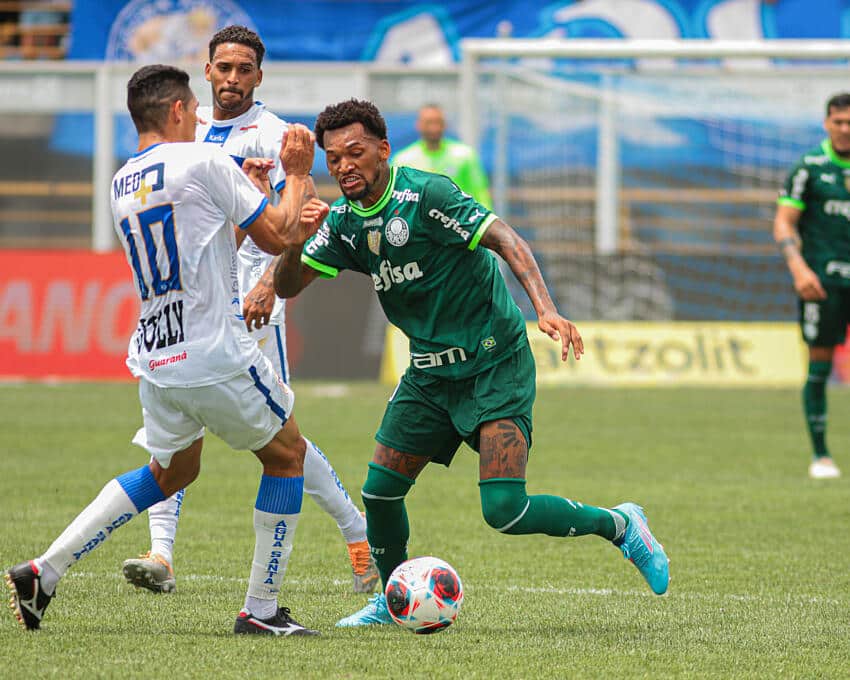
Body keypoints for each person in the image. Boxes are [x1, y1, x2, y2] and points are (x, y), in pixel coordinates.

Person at [273, 99, 670, 627]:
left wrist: (545, 309)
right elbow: (287, 286)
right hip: (429, 374)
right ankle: (391, 599)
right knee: (380, 493)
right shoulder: (343, 223)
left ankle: (620, 525)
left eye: (355, 152)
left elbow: (506, 238)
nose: (344, 165)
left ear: (383, 150)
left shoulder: (427, 195)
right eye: (333, 158)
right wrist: (292, 241)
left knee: (504, 510)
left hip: (494, 362)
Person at [4, 64, 325, 636]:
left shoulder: (122, 181)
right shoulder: (204, 161)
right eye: (194, 109)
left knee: (174, 470)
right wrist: (296, 174)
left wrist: (244, 196)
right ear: (178, 109)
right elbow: (280, 234)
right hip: (214, 350)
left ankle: (43, 570)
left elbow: (206, 242)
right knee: (287, 456)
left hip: (156, 353)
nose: (200, 117)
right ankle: (262, 610)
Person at [121, 25, 378, 597]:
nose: (232, 78)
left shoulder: (274, 134)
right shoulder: (183, 129)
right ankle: (160, 552)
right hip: (193, 307)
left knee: (285, 440)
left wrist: (268, 283)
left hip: (253, 312)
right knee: (174, 434)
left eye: (244, 70)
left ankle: (357, 533)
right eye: (224, 68)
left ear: (259, 76)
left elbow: (307, 210)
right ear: (207, 71)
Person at [774, 92, 850, 480]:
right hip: (823, 283)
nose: (845, 129)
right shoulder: (809, 168)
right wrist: (799, 269)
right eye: (839, 122)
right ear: (826, 123)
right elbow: (784, 222)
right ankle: (821, 455)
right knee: (819, 366)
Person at [391, 103, 492, 209]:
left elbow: (481, 194)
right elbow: (395, 200)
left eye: (438, 122)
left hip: (456, 218)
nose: (433, 128)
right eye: (428, 122)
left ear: (445, 125)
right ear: (419, 125)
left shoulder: (464, 156)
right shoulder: (403, 160)